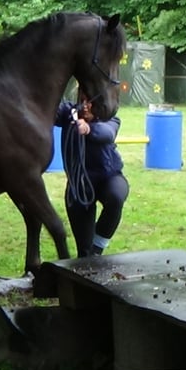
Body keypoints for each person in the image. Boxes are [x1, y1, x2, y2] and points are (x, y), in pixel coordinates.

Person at [54, 91, 129, 258]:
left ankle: (98, 246)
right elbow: (47, 108)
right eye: (83, 100)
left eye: (91, 101)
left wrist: (88, 128)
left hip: (109, 177)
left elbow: (108, 133)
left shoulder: (110, 117)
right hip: (79, 184)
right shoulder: (68, 113)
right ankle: (88, 255)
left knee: (116, 197)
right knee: (84, 253)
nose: (86, 105)